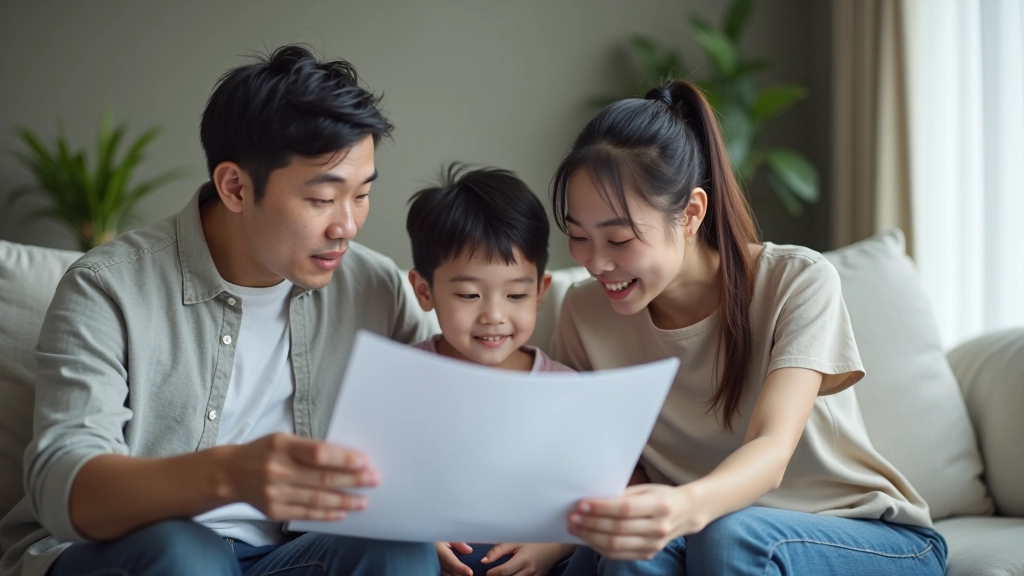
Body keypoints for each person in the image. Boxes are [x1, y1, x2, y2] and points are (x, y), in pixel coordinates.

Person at [0, 45, 440, 576]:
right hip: (136, 552)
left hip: (287, 555)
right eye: (323, 199)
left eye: (362, 194)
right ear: (235, 186)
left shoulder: (373, 286)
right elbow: (62, 486)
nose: (347, 225)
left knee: (400, 547)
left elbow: (444, 415)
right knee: (188, 555)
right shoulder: (108, 287)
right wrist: (230, 475)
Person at [550, 80, 948, 575]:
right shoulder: (583, 313)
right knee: (629, 553)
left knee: (732, 535)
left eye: (619, 238)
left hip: (866, 534)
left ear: (692, 212)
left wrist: (681, 508)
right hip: (696, 530)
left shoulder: (796, 282)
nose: (596, 262)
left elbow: (771, 447)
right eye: (579, 237)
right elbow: (612, 461)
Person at [405, 164, 576, 576]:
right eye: (469, 294)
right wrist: (410, 537)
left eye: (516, 294)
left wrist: (552, 547)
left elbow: (598, 494)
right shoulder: (402, 379)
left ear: (540, 293)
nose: (494, 315)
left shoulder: (566, 390)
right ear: (424, 291)